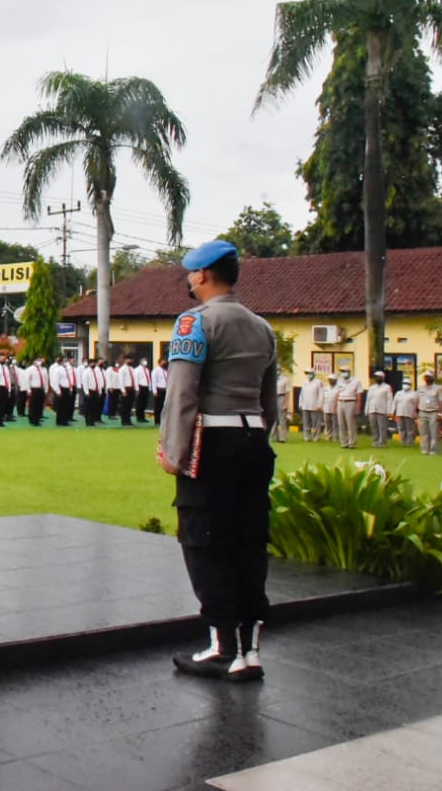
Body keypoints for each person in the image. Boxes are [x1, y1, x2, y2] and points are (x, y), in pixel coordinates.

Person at [157, 240, 276, 682]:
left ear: (203, 275)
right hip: (254, 439)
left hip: (213, 440)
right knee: (249, 541)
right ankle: (250, 649)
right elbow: (269, 399)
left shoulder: (194, 322)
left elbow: (182, 393)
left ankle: (222, 646)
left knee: (205, 539)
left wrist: (173, 452)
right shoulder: (262, 327)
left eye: (191, 273)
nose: (189, 280)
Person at [331, 366, 361, 448]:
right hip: (341, 401)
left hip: (350, 402)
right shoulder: (340, 381)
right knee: (341, 423)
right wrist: (335, 404)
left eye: (344, 371)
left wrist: (358, 407)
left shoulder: (356, 381)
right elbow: (337, 393)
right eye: (341, 371)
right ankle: (344, 442)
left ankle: (352, 442)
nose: (343, 373)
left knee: (350, 423)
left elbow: (358, 395)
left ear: (349, 372)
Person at [365, 371, 394, 448]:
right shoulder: (372, 387)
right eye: (376, 377)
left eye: (379, 377)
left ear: (383, 378)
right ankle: (375, 441)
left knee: (382, 427)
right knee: (373, 427)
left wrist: (390, 411)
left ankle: (382, 442)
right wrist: (366, 410)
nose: (377, 378)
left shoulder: (387, 387)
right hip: (372, 409)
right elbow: (368, 399)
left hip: (382, 410)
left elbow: (389, 399)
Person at [418, 372, 442, 455]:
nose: (427, 378)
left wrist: (440, 413)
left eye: (428, 377)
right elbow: (417, 399)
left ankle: (434, 450)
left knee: (434, 432)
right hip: (422, 411)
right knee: (423, 432)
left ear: (433, 378)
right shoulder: (420, 388)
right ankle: (425, 449)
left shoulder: (438, 388)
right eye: (426, 377)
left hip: (433, 412)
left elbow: (441, 401)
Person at [49, 355, 76, 426]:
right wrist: (58, 391)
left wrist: (70, 388)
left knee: (66, 406)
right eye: (64, 361)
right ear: (61, 362)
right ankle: (59, 421)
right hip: (61, 389)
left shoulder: (66, 369)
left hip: (67, 389)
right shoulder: (58, 369)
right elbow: (55, 381)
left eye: (66, 361)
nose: (66, 362)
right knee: (61, 407)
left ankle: (65, 420)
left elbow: (68, 380)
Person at [299, 369, 325, 441]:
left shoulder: (318, 382)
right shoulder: (304, 382)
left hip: (315, 405)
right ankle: (307, 436)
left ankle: (316, 436)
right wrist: (300, 403)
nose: (308, 374)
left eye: (310, 373)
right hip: (305, 405)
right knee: (306, 422)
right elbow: (302, 394)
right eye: (307, 373)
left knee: (316, 423)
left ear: (313, 373)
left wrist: (320, 404)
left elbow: (321, 394)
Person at [393, 379, 418, 447]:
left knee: (410, 428)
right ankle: (402, 441)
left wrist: (415, 413)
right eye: (404, 383)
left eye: (407, 383)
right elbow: (395, 403)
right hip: (400, 413)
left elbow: (416, 404)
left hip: (409, 413)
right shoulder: (398, 393)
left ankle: (410, 442)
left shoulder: (414, 394)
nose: (405, 384)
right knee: (401, 428)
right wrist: (393, 413)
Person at [24, 357, 47, 426]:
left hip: (41, 389)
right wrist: (28, 390)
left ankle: (37, 419)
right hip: (34, 389)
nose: (39, 362)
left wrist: (45, 389)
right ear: (34, 361)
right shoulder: (30, 369)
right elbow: (27, 380)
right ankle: (32, 420)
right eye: (38, 360)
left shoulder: (42, 369)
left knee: (39, 405)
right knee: (33, 405)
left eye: (40, 361)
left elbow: (45, 380)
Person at [270, 369, 290, 443]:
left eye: (278, 370)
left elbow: (287, 392)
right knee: (273, 419)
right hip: (273, 397)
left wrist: (286, 403)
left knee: (282, 419)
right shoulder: (271, 378)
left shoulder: (285, 379)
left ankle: (283, 438)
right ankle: (275, 437)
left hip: (281, 397)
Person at [151, 356, 169, 424]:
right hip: (159, 390)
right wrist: (154, 391)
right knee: (158, 406)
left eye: (165, 361)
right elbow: (154, 381)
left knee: (164, 406)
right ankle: (157, 420)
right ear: (159, 362)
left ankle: (163, 419)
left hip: (165, 389)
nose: (164, 363)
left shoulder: (165, 371)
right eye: (163, 361)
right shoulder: (155, 371)